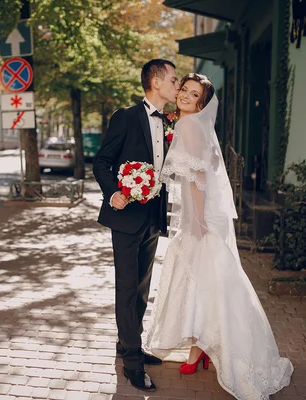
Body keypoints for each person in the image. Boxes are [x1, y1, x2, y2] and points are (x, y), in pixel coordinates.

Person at [144, 73, 294, 399]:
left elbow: (198, 175)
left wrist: (197, 220)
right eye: (183, 89)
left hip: (201, 216)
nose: (184, 95)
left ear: (201, 102)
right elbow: (205, 167)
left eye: (193, 93)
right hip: (202, 213)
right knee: (207, 281)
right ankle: (201, 349)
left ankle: (202, 350)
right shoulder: (195, 125)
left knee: (206, 280)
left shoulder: (188, 126)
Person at [93, 59, 180, 392]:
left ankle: (126, 343)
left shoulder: (172, 122)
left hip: (154, 218)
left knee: (142, 290)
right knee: (127, 289)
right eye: (173, 80)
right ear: (156, 82)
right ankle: (132, 362)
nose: (176, 85)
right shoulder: (126, 117)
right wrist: (114, 192)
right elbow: (102, 161)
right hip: (127, 216)